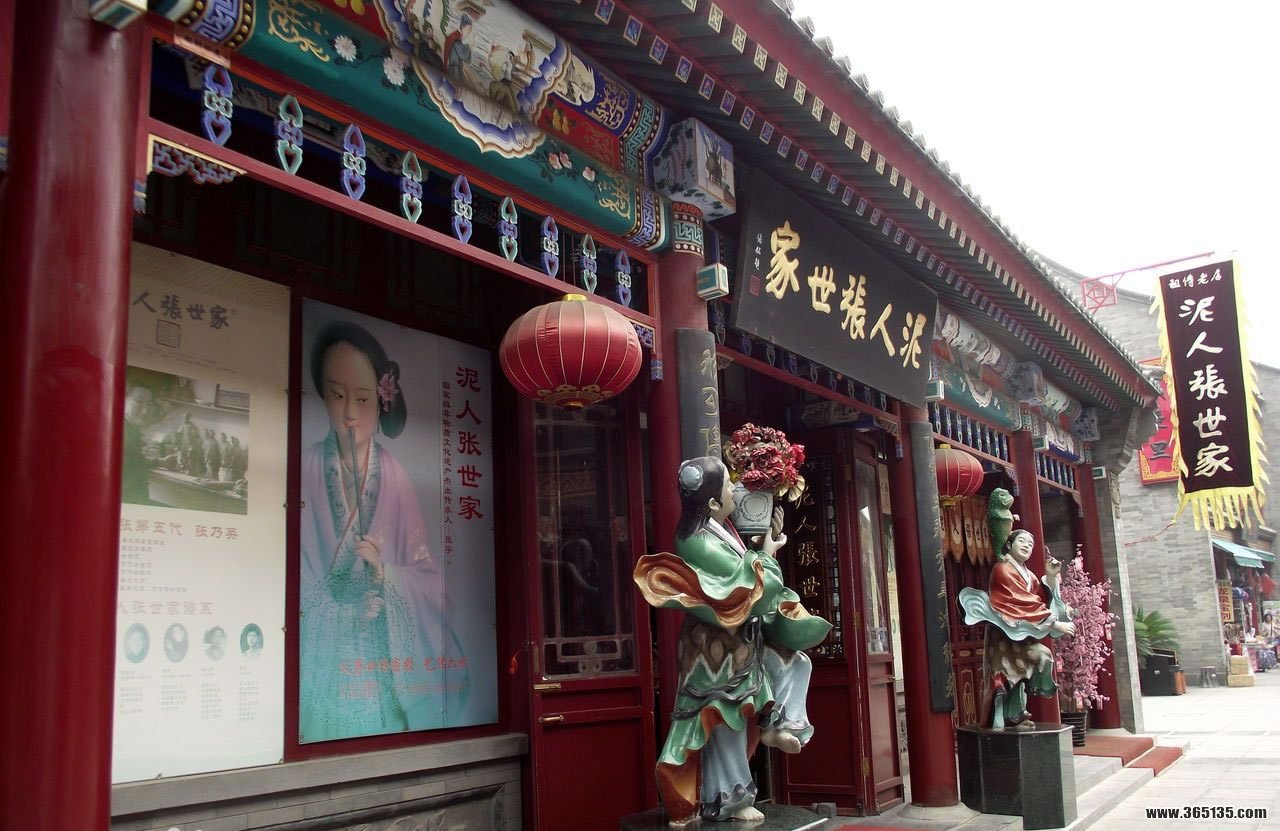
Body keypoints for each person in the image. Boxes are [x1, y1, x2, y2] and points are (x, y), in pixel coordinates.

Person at [634, 457, 831, 825]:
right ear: (712, 502)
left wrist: (760, 549)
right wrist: (766, 556)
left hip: (741, 637)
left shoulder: (720, 529)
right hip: (714, 650)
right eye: (728, 485)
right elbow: (748, 584)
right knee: (724, 717)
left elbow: (748, 574)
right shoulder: (694, 541)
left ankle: (779, 724)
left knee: (794, 662)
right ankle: (730, 798)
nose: (734, 491)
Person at [298, 320, 467, 742]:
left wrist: (384, 576)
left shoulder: (394, 476)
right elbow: (291, 579)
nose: (349, 414)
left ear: (380, 401)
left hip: (378, 663)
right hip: (327, 666)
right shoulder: (305, 470)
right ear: (322, 394)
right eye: (337, 395)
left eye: (362, 399)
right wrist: (341, 611)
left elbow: (432, 583)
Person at [959, 519, 1075, 730]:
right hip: (1004, 635)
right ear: (1009, 544)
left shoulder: (1029, 575)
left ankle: (1015, 715)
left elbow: (1041, 598)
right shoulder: (1002, 569)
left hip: (1022, 634)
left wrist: (1050, 577)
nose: (1026, 546)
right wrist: (1054, 624)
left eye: (1030, 544)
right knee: (1005, 677)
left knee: (1032, 666)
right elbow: (1022, 600)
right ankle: (1002, 718)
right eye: (1021, 541)